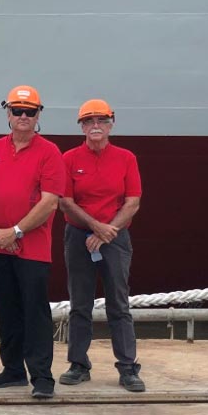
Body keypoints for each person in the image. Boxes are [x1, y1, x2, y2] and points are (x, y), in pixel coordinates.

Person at [0, 85, 65, 400]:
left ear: (38, 114)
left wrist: (16, 232)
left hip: (32, 250)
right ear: (8, 114)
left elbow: (50, 201)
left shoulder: (49, 152)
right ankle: (12, 370)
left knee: (35, 312)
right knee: (6, 310)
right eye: (17, 111)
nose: (23, 116)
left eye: (30, 111)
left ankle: (42, 376)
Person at [59, 99, 145, 392]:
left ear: (111, 123)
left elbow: (132, 201)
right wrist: (96, 227)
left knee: (119, 304)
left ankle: (127, 367)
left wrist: (107, 231)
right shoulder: (69, 158)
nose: (96, 126)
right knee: (79, 304)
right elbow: (64, 201)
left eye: (101, 120)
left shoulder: (126, 158)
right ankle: (79, 364)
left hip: (115, 239)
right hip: (79, 237)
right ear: (81, 126)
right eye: (89, 121)